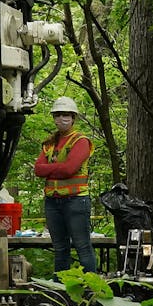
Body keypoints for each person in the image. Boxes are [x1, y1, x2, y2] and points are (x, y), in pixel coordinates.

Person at [33, 96, 98, 272]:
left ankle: (91, 289)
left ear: (73, 117)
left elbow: (70, 169)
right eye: (58, 115)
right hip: (53, 202)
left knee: (82, 247)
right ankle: (61, 289)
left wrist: (50, 167)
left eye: (66, 115)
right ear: (54, 117)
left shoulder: (80, 141)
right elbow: (38, 169)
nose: (62, 119)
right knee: (60, 249)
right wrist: (58, 167)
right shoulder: (50, 143)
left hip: (76, 201)